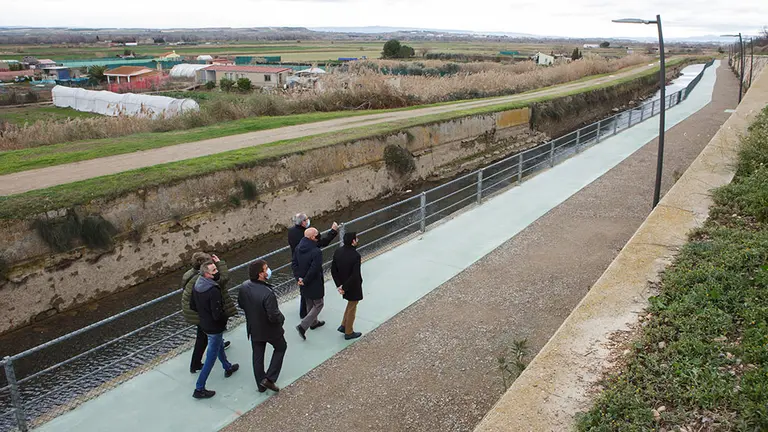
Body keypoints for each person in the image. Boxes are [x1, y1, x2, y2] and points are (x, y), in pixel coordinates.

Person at [190, 262, 239, 399]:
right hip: (214, 327)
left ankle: (227, 367)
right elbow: (217, 314)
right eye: (214, 270)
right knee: (211, 357)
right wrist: (225, 318)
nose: (217, 271)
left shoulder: (197, 285)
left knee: (218, 347)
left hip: (204, 324)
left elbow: (192, 305)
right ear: (207, 274)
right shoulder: (213, 290)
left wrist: (204, 314)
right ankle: (199, 388)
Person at [181, 252, 236, 374]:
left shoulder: (189, 274)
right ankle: (196, 365)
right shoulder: (204, 278)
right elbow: (223, 279)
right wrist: (220, 264)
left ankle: (221, 350)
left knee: (210, 334)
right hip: (197, 311)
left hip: (192, 308)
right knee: (203, 337)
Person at [238, 260, 286, 393]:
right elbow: (273, 315)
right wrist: (281, 319)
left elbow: (241, 304)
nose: (268, 270)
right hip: (270, 329)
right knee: (281, 347)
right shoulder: (267, 293)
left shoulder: (244, 287)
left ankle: (260, 385)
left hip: (254, 328)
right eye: (266, 269)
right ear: (260, 274)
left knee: (257, 355)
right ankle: (269, 378)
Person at [288, 213, 339, 319]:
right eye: (307, 219)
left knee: (304, 290)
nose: (308, 220)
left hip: (298, 263)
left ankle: (305, 313)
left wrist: (298, 277)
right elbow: (322, 242)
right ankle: (308, 317)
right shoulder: (307, 239)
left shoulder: (292, 232)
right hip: (308, 264)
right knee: (313, 293)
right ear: (303, 222)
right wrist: (333, 231)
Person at [292, 227, 326, 340]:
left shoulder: (298, 248)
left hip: (302, 281)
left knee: (309, 302)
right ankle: (303, 325)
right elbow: (314, 268)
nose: (318, 236)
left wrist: (299, 279)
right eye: (316, 234)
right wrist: (305, 280)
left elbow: (294, 264)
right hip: (313, 281)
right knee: (319, 304)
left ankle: (314, 323)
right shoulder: (316, 251)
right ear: (312, 237)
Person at [331, 232, 364, 340]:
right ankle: (348, 331)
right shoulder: (355, 256)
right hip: (353, 285)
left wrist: (339, 286)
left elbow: (333, 270)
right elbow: (355, 275)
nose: (357, 240)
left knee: (350, 304)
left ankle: (343, 325)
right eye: (356, 239)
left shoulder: (338, 251)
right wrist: (344, 287)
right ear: (353, 241)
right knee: (353, 307)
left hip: (343, 284)